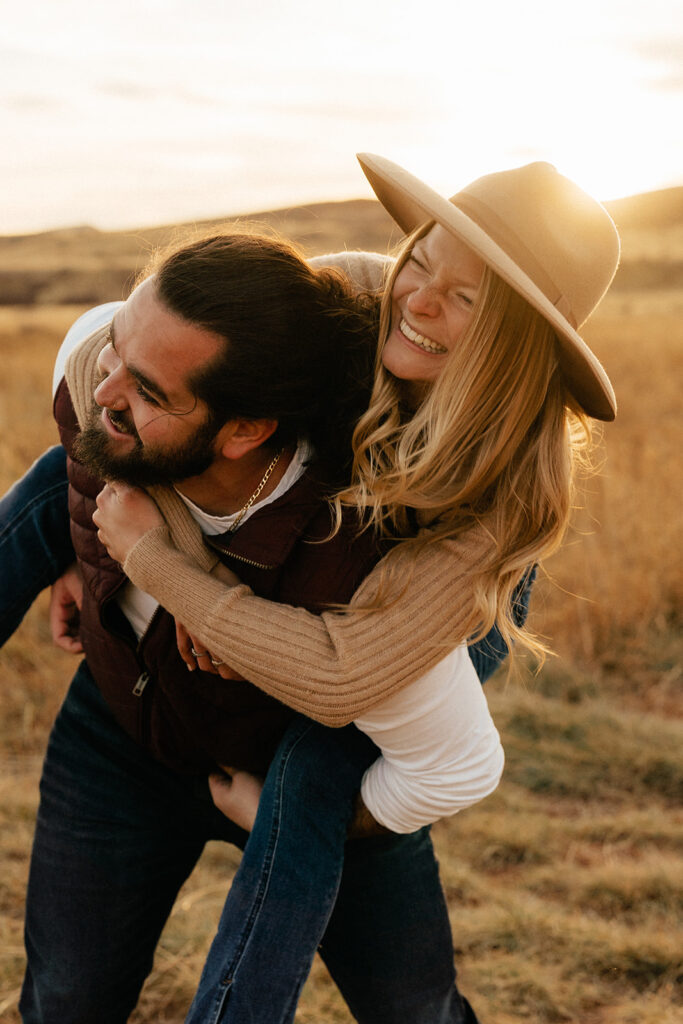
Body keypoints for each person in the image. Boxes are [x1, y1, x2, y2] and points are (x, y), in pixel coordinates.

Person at [90, 153, 621, 1022]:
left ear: (519, 338)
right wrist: (118, 553)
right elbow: (133, 371)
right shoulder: (348, 296)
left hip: (422, 612)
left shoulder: (509, 497)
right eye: (423, 260)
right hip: (296, 575)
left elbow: (343, 677)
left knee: (317, 765)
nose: (417, 300)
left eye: (467, 298)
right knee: (56, 473)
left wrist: (169, 575)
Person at [6, 227, 514, 1024]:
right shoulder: (99, 379)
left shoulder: (363, 572)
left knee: (416, 1012)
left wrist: (305, 813)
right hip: (117, 746)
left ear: (246, 431)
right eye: (117, 349)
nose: (106, 393)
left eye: (148, 391)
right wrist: (82, 546)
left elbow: (455, 766)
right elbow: (90, 370)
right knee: (64, 1004)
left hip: (303, 762)